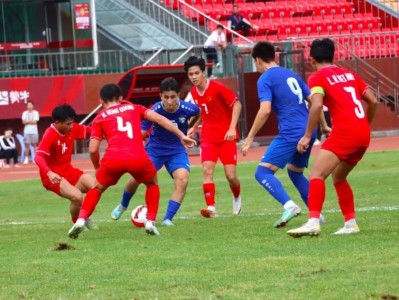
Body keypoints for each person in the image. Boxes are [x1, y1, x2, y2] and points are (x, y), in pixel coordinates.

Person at [67, 83, 196, 239]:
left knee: (97, 188)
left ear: (101, 101)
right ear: (121, 98)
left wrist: (97, 167)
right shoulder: (135, 108)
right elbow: (160, 119)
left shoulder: (99, 118)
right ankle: (150, 222)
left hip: (113, 158)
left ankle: (81, 220)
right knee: (152, 184)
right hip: (137, 156)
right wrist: (181, 135)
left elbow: (93, 149)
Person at [287, 38, 378, 237]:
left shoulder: (317, 77)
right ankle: (350, 223)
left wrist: (307, 135)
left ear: (311, 59)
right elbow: (373, 100)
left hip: (345, 132)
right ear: (333, 56)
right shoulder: (350, 73)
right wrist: (363, 124)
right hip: (362, 133)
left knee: (316, 174)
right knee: (339, 176)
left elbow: (317, 105)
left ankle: (312, 222)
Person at [240, 41, 322, 228]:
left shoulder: (265, 78)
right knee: (295, 172)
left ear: (258, 60)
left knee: (262, 172)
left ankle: (289, 206)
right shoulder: (291, 74)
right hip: (308, 129)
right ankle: (317, 215)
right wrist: (323, 126)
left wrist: (250, 137)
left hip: (291, 132)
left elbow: (265, 110)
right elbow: (314, 101)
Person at [111, 77, 200, 226]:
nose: (169, 101)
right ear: (160, 96)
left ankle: (167, 219)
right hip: (155, 150)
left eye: (173, 97)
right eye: (166, 97)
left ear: (178, 95)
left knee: (183, 180)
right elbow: (142, 132)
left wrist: (191, 128)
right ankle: (123, 205)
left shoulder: (189, 108)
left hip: (176, 150)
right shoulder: (155, 110)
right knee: (135, 178)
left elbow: (198, 113)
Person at [184, 56, 242, 218]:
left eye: (197, 73)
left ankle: (237, 197)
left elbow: (237, 104)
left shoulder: (217, 87)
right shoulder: (193, 92)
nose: (194, 77)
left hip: (226, 137)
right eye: (191, 74)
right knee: (207, 170)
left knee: (231, 176)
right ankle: (211, 208)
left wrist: (232, 128)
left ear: (204, 73)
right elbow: (202, 111)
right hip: (208, 138)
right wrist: (193, 127)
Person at [35, 104, 97, 228]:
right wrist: (49, 172)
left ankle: (83, 216)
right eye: (68, 124)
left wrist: (109, 132)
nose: (71, 126)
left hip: (67, 170)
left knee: (96, 187)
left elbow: (92, 130)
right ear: (58, 123)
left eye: (72, 123)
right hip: (52, 175)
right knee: (77, 197)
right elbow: (38, 156)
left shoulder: (72, 128)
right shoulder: (50, 134)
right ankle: (77, 222)